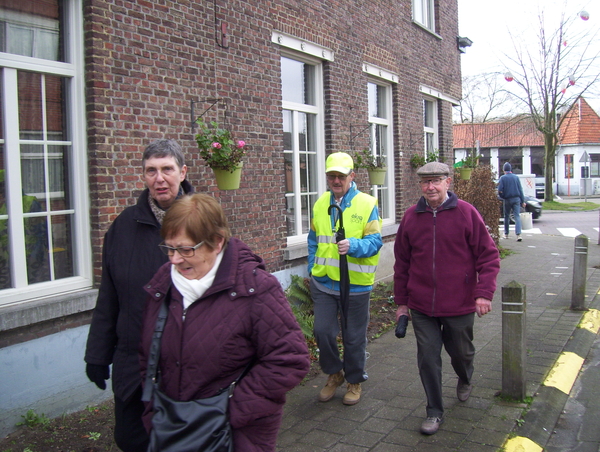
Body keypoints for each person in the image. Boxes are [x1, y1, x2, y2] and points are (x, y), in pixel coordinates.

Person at [139, 193, 310, 451]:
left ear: (217, 242)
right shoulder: (165, 281)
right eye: (170, 248)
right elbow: (146, 352)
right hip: (173, 427)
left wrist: (232, 409)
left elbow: (289, 359)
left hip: (236, 434)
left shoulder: (255, 288)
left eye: (185, 249)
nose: (174, 259)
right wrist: (152, 407)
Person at [84, 139, 193, 452]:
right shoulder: (123, 227)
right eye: (151, 171)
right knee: (133, 440)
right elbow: (110, 296)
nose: (159, 178)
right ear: (144, 176)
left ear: (182, 172)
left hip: (188, 363)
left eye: (167, 169)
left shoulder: (205, 224)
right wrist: (97, 354)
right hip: (134, 365)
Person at [393, 161, 500, 435]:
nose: (431, 187)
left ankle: (465, 376)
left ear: (448, 183)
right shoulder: (410, 218)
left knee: (461, 353)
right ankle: (434, 411)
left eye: (436, 181)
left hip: (459, 304)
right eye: (425, 182)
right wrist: (402, 304)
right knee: (428, 358)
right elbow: (402, 264)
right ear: (420, 186)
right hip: (421, 306)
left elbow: (488, 256)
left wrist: (483, 293)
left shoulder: (466, 213)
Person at [308, 152, 383, 406]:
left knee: (353, 337)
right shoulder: (319, 204)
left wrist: (353, 246)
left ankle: (354, 379)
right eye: (332, 176)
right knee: (323, 332)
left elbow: (375, 242)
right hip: (324, 283)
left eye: (341, 176)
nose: (336, 180)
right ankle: (334, 373)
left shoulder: (367, 203)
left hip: (356, 285)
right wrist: (311, 267)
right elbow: (312, 241)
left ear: (352, 176)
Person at [498, 162, 526, 241]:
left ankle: (506, 233)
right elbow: (520, 189)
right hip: (516, 199)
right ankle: (519, 234)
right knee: (517, 216)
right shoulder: (516, 177)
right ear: (510, 169)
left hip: (507, 199)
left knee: (506, 216)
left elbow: (500, 190)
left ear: (504, 170)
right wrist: (522, 201)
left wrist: (502, 197)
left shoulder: (502, 178)